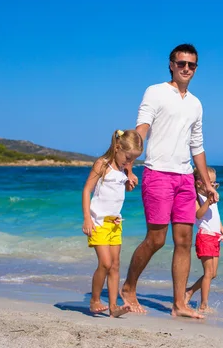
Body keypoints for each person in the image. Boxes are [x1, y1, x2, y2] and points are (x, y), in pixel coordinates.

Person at [121, 43, 219, 319]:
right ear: (171, 65)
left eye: (192, 65)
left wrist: (206, 182)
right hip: (157, 173)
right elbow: (142, 127)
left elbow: (197, 147)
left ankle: (179, 304)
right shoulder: (156, 92)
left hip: (185, 177)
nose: (186, 68)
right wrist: (128, 163)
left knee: (185, 240)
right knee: (156, 239)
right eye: (181, 63)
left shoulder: (196, 104)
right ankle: (128, 286)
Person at [82, 129, 143, 317]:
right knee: (105, 263)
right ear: (117, 148)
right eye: (128, 157)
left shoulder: (123, 169)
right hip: (98, 222)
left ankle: (114, 306)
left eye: (133, 159)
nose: (129, 162)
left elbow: (119, 187)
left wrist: (129, 180)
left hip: (115, 223)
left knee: (115, 265)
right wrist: (87, 218)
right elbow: (87, 191)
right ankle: (94, 300)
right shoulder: (102, 164)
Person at [185, 167, 223, 313]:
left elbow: (217, 219)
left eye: (214, 183)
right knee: (208, 273)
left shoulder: (211, 197)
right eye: (209, 183)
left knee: (213, 274)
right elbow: (198, 214)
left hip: (215, 238)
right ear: (199, 183)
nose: (213, 186)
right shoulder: (196, 197)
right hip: (205, 237)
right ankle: (204, 305)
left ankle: (190, 291)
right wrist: (208, 203)